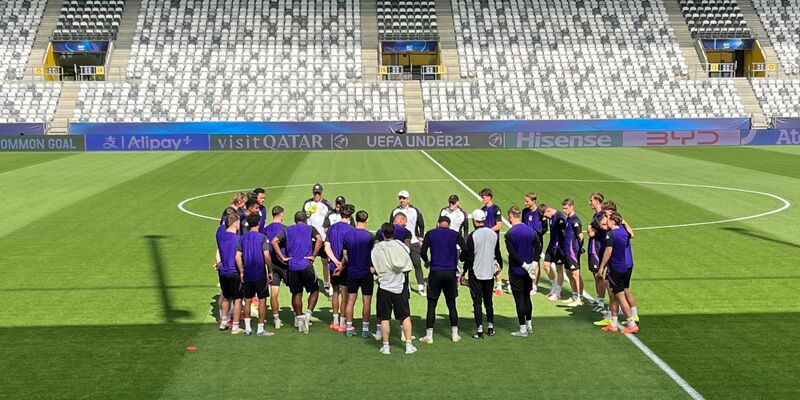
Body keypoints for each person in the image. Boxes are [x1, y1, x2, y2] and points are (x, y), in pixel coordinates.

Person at [271, 211, 323, 333]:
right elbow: (319, 239)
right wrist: (314, 255)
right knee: (315, 290)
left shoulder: (288, 229)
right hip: (306, 265)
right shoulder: (310, 228)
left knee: (297, 293)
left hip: (292, 266)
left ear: (295, 220)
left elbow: (274, 241)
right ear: (305, 220)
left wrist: (283, 258)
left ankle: (299, 319)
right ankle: (308, 315)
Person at [371, 223, 417, 355]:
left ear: (383, 234)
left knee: (385, 318)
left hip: (384, 286)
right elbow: (406, 256)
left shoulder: (377, 248)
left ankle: (386, 346)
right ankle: (409, 345)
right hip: (399, 286)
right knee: (405, 316)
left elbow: (375, 266)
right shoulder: (400, 245)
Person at [419, 216, 467, 344]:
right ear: (449, 225)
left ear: (438, 223)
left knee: (432, 303)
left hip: (435, 271)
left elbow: (423, 252)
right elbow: (466, 249)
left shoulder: (431, 233)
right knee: (451, 303)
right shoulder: (455, 234)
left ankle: (429, 336)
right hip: (450, 272)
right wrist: (460, 259)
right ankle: (455, 334)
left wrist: (427, 262)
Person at [594, 201, 639, 327]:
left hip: (621, 264)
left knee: (618, 292)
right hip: (623, 263)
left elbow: (610, 249)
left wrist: (602, 267)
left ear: (612, 213)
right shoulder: (620, 227)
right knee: (619, 291)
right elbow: (631, 234)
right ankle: (616, 318)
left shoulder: (616, 229)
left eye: (606, 212)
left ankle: (627, 318)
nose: (604, 214)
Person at [460, 209, 503, 339]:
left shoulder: (473, 236)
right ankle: (490, 328)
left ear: (474, 221)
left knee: (477, 303)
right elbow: (498, 253)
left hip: (476, 273)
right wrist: (499, 268)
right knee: (489, 302)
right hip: (489, 273)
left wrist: (464, 271)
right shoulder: (493, 234)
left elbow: (468, 257)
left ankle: (479, 330)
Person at [236, 213, 275, 337]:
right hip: (260, 274)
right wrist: (270, 270)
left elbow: (237, 256)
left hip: (247, 274)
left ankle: (247, 329)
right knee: (262, 300)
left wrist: (241, 271)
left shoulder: (242, 238)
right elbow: (267, 256)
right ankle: (260, 329)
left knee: (247, 300)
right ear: (258, 223)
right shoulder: (262, 237)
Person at [342, 210, 376, 338]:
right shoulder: (370, 236)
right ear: (366, 220)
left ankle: (349, 328)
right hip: (366, 272)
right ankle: (365, 329)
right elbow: (374, 254)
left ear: (355, 219)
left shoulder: (348, 235)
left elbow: (345, 253)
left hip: (352, 271)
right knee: (366, 301)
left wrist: (348, 262)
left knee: (350, 300)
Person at [504, 206, 538, 337]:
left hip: (516, 270)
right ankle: (529, 325)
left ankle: (522, 329)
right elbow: (538, 247)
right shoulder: (530, 231)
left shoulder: (509, 234)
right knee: (527, 297)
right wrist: (533, 263)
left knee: (519, 299)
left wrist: (523, 265)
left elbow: (512, 254)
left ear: (511, 216)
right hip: (529, 270)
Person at [324, 204, 355, 334]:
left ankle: (335, 321)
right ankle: (343, 322)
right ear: (350, 216)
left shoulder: (331, 228)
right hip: (345, 266)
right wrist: (341, 263)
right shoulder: (350, 229)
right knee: (345, 293)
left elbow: (326, 247)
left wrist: (335, 261)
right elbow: (348, 251)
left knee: (335, 292)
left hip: (333, 265)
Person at [390, 190, 426, 296]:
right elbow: (391, 226)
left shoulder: (414, 210)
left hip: (414, 241)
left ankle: (420, 287)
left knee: (417, 264)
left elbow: (421, 224)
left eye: (404, 198)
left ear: (408, 199)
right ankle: (406, 286)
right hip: (400, 243)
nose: (402, 200)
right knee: (403, 266)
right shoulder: (395, 211)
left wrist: (421, 236)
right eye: (400, 198)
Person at [303, 183, 335, 297]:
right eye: (315, 193)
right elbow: (304, 218)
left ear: (321, 193)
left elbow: (331, 218)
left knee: (326, 261)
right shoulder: (307, 203)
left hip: (323, 237)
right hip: (310, 237)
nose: (317, 195)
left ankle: (327, 283)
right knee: (308, 260)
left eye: (319, 193)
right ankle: (310, 282)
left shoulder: (327, 204)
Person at [216, 212, 244, 334]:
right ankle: (235, 326)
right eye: (238, 222)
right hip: (234, 272)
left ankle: (224, 321)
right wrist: (242, 271)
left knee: (226, 297)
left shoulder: (221, 237)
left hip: (223, 272)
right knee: (237, 299)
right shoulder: (237, 239)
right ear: (234, 223)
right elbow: (238, 257)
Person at [263, 205, 288, 329]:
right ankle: (297, 318)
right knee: (296, 291)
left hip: (271, 264)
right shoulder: (285, 229)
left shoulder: (266, 229)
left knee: (274, 293)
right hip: (284, 264)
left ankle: (276, 319)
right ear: (281, 214)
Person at [522, 193, 551, 296]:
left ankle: (534, 286)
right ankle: (527, 283)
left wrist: (536, 236)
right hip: (525, 241)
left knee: (536, 262)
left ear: (533, 201)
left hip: (536, 242)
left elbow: (545, 228)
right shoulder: (525, 211)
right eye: (525, 201)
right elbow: (523, 224)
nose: (525, 203)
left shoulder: (540, 213)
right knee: (526, 261)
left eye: (527, 201)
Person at [479, 188, 505, 296]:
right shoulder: (482, 209)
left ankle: (499, 286)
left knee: (495, 262)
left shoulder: (495, 209)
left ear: (489, 197)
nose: (482, 199)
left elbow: (499, 225)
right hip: (484, 240)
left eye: (483, 197)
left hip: (493, 239)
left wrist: (487, 231)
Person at [587, 192, 608, 312]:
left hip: (599, 248)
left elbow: (592, 231)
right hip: (595, 247)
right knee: (595, 274)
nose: (590, 203)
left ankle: (601, 302)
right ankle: (599, 299)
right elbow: (590, 229)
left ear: (597, 201)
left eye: (591, 200)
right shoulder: (596, 215)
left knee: (598, 275)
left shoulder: (601, 215)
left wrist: (590, 227)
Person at [561, 198, 585, 307]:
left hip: (572, 251)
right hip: (567, 250)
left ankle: (580, 298)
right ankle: (574, 296)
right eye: (563, 208)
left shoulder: (575, 220)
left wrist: (579, 248)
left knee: (576, 274)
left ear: (572, 207)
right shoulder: (568, 219)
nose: (564, 210)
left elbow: (581, 236)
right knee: (569, 273)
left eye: (566, 208)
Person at [542, 204, 567, 301]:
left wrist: (565, 246)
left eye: (545, 215)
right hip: (552, 244)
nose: (545, 218)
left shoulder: (559, 216)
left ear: (548, 210)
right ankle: (554, 287)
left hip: (559, 247)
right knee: (546, 265)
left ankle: (558, 292)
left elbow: (564, 231)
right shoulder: (551, 217)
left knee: (559, 269)